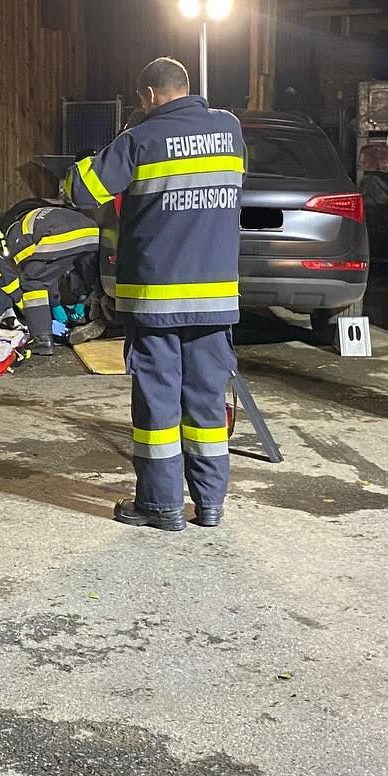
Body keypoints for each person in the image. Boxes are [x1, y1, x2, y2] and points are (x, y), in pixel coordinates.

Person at [66, 56, 244, 531]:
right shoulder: (229, 132)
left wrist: (119, 140)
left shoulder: (139, 140)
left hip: (156, 298)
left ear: (147, 96)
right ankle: (210, 506)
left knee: (158, 407)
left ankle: (161, 506)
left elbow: (82, 190)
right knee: (207, 404)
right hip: (215, 299)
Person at [0, 204, 103, 355]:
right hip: (92, 232)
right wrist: (81, 300)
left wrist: (54, 305)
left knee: (32, 282)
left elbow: (38, 274)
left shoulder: (15, 234)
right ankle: (88, 314)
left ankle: (41, 339)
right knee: (88, 277)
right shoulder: (45, 215)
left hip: (59, 235)